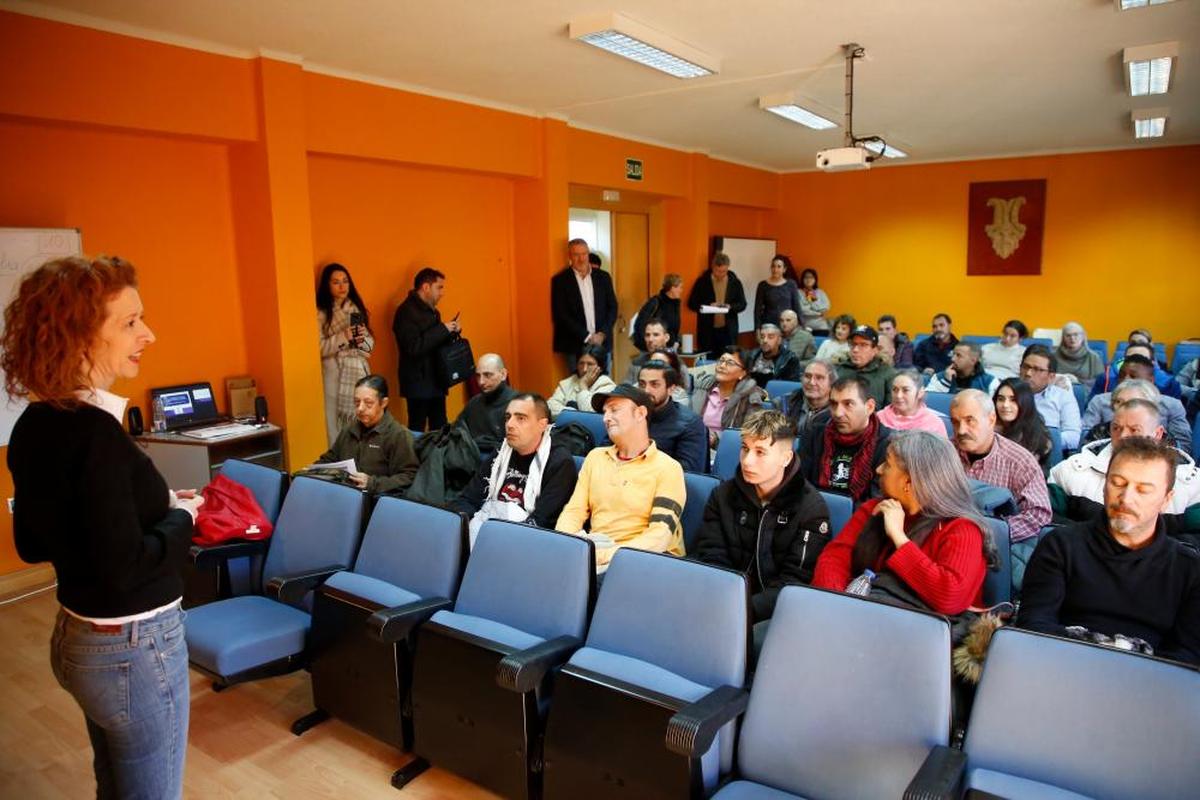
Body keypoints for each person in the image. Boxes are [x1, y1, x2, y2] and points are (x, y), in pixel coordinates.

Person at [4, 256, 202, 798]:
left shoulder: (35, 424)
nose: (149, 334)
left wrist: (145, 507)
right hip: (134, 651)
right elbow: (125, 566)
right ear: (80, 336)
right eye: (130, 322)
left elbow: (32, 541)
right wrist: (182, 516)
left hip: (77, 641)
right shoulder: (98, 438)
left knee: (115, 787)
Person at [1019, 437, 1200, 665]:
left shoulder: (1189, 570)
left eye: (1143, 490)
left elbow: (1186, 659)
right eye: (1117, 482)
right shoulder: (1060, 546)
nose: (1126, 498)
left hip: (1150, 689)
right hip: (1061, 670)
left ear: (1166, 500)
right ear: (1104, 486)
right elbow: (1034, 628)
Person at [811, 431, 993, 615]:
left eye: (888, 464)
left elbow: (949, 597)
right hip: (860, 616)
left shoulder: (962, 529)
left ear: (909, 481)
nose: (879, 470)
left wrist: (899, 537)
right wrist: (835, 605)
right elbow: (835, 558)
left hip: (920, 633)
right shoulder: (875, 508)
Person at [693, 411, 831, 654]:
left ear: (785, 458)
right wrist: (719, 600)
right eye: (745, 449)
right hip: (722, 597)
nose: (747, 461)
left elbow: (794, 584)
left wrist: (738, 609)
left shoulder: (811, 509)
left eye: (760, 452)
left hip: (772, 610)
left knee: (748, 640)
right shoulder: (722, 495)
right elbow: (710, 554)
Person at [556, 385, 686, 569]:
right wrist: (565, 545)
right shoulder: (595, 457)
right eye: (605, 412)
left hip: (646, 561)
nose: (606, 418)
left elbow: (659, 536)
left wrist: (602, 556)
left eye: (614, 410)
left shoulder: (668, 468)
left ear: (640, 413)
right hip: (596, 552)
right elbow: (573, 512)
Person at [1049, 399, 1200, 543]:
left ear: (1158, 434)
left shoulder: (1193, 484)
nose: (1122, 436)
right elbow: (1046, 517)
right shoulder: (1071, 471)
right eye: (1116, 428)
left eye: (1134, 429)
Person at [949, 389, 1051, 580]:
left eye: (970, 420)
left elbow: (1039, 514)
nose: (961, 430)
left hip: (994, 553)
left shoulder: (1020, 461)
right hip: (946, 543)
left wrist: (991, 533)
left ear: (991, 420)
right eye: (955, 422)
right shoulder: (945, 452)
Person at [452, 393, 579, 546]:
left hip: (524, 542)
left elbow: (541, 522)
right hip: (487, 529)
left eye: (520, 418)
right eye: (507, 417)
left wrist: (493, 538)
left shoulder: (560, 462)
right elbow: (468, 499)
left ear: (542, 425)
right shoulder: (500, 453)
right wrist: (462, 526)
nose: (509, 424)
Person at [314, 374, 419, 495]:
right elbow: (330, 459)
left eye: (368, 403)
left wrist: (372, 483)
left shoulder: (398, 435)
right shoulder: (349, 429)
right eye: (357, 402)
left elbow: (409, 476)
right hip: (346, 495)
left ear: (383, 403)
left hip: (377, 501)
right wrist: (312, 471)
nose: (360, 408)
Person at [800, 376, 892, 503]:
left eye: (848, 404)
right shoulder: (815, 433)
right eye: (833, 404)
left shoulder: (888, 445)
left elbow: (876, 502)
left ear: (869, 407)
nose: (838, 413)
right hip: (814, 512)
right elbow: (800, 484)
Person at [393, 267, 460, 432]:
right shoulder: (405, 312)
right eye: (439, 287)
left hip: (436, 380)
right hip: (417, 384)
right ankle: (417, 459)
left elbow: (436, 343)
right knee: (417, 430)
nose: (442, 293)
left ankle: (440, 459)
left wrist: (452, 332)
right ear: (426, 287)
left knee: (441, 429)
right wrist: (443, 329)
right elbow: (413, 347)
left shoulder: (433, 312)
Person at [317, 262, 375, 444]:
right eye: (336, 282)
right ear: (327, 286)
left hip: (359, 375)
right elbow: (319, 348)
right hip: (335, 377)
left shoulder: (356, 310)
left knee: (362, 423)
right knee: (335, 428)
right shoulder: (320, 314)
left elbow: (368, 350)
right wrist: (343, 337)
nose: (342, 286)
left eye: (345, 281)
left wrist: (362, 338)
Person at [1081, 364, 1192, 453]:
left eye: (1132, 403)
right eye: (1118, 402)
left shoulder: (1166, 442)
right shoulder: (1098, 433)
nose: (1124, 407)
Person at [551, 238, 618, 375]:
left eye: (584, 254)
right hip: (574, 343)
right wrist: (588, 336)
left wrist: (602, 334)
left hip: (602, 342)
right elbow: (561, 314)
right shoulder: (560, 281)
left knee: (604, 384)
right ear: (569, 256)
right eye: (576, 255)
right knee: (577, 386)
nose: (581, 259)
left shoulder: (604, 277)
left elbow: (613, 307)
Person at [637, 361, 708, 473]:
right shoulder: (630, 414)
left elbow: (688, 471)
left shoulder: (690, 423)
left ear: (671, 389)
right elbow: (608, 450)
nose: (646, 391)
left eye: (654, 384)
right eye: (642, 384)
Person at [692, 346, 768, 447]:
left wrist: (716, 441)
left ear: (743, 373)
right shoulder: (702, 388)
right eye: (721, 361)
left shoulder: (750, 398)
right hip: (695, 444)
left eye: (730, 363)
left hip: (726, 450)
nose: (722, 366)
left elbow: (750, 436)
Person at [1019, 344, 1081, 450]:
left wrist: (1041, 441)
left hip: (1046, 453)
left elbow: (1073, 437)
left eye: (1037, 369)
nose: (1028, 373)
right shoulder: (1007, 392)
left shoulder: (1063, 397)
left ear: (1051, 377)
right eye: (1026, 367)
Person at [453, 353, 518, 455]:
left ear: (503, 374)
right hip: (470, 458)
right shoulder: (473, 403)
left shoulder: (519, 404)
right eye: (478, 376)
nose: (481, 382)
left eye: (488, 375)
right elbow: (456, 431)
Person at [687, 252, 747, 354]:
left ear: (728, 268)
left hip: (728, 331)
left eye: (724, 271)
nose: (720, 274)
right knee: (707, 362)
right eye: (717, 271)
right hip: (707, 332)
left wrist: (730, 307)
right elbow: (691, 304)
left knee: (728, 362)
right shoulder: (702, 282)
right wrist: (706, 306)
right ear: (712, 267)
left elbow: (742, 304)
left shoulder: (735, 282)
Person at [993, 378, 1053, 470]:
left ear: (1025, 402)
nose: (1005, 405)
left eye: (1013, 400)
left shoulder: (1037, 436)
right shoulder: (987, 428)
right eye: (1001, 399)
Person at [548, 344, 617, 418]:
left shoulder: (607, 385)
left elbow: (590, 414)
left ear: (600, 367)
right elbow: (550, 407)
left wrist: (583, 385)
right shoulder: (567, 383)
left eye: (590, 364)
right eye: (581, 363)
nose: (584, 369)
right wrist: (574, 412)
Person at [877, 369, 950, 438]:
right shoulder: (878, 418)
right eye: (895, 390)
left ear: (920, 393)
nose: (898, 396)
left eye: (905, 390)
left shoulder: (934, 423)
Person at [843, 324, 897, 407]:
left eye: (863, 345)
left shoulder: (888, 374)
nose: (855, 350)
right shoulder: (838, 369)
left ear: (875, 350)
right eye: (853, 344)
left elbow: (891, 410)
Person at [785, 359, 837, 443]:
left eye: (819, 378)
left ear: (831, 383)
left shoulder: (838, 411)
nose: (812, 382)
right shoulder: (785, 403)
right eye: (807, 376)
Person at [926, 341, 1000, 396]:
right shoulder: (939, 377)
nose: (953, 359)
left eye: (958, 355)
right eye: (953, 354)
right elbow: (927, 402)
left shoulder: (990, 382)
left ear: (973, 360)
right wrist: (946, 382)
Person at [632, 274, 683, 351]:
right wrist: (649, 344)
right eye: (680, 287)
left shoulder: (675, 304)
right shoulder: (655, 302)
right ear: (672, 288)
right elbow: (640, 324)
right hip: (652, 347)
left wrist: (677, 341)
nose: (681, 290)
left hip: (669, 347)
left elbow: (674, 327)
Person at [745, 323, 801, 388]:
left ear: (779, 340)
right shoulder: (752, 355)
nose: (765, 340)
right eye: (762, 337)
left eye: (770, 337)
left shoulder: (790, 359)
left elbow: (791, 389)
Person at [753, 254, 801, 329]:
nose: (775, 269)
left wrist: (801, 325)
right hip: (769, 325)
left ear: (784, 269)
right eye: (773, 266)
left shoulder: (791, 284)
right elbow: (757, 310)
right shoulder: (762, 285)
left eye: (779, 267)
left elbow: (797, 307)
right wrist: (757, 329)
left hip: (788, 326)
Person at [624, 318, 673, 384]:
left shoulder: (675, 363)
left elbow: (683, 392)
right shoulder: (637, 362)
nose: (650, 339)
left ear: (666, 338)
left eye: (656, 335)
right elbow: (625, 387)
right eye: (647, 335)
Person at [798, 267, 831, 333]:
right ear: (802, 279)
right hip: (805, 326)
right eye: (806, 277)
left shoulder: (820, 292)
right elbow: (802, 310)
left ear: (815, 279)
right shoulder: (798, 292)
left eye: (811, 277)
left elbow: (826, 307)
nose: (808, 279)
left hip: (821, 326)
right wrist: (818, 313)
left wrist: (810, 295)